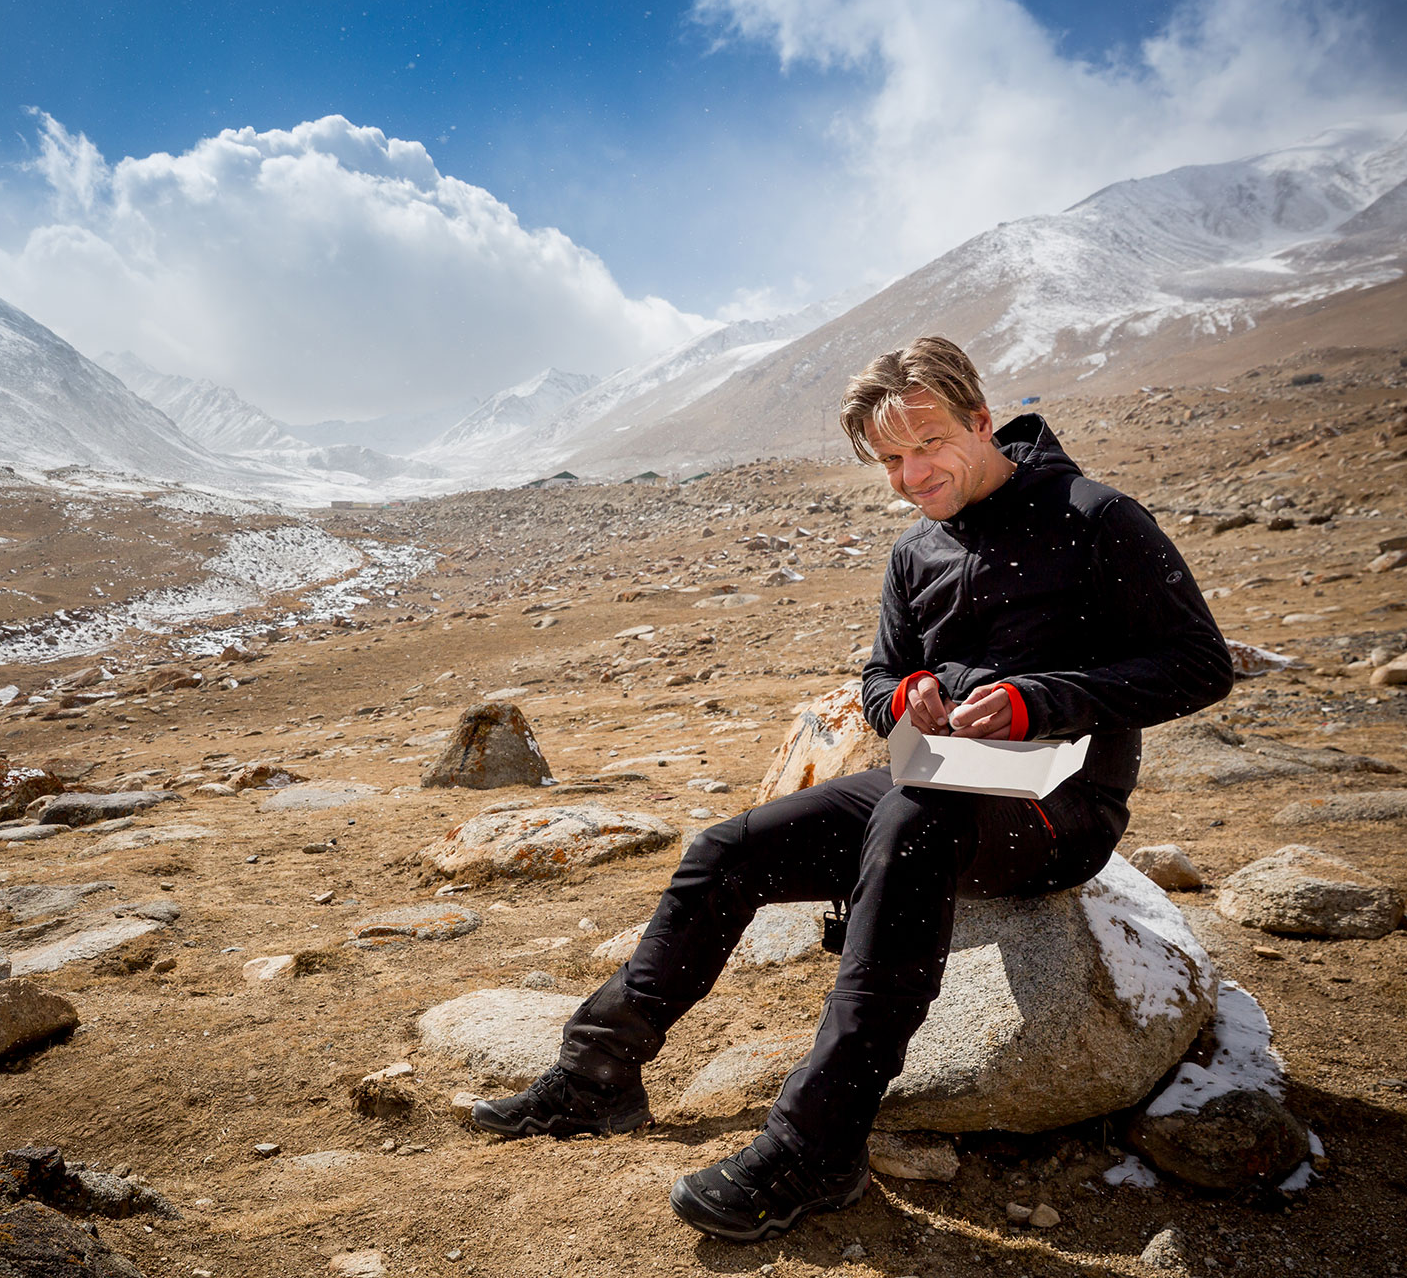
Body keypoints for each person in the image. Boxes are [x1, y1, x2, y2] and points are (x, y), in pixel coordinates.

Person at [470, 335, 1235, 1242]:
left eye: (928, 446)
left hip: (1061, 804)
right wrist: (903, 698)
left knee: (913, 821)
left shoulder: (1094, 517)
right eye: (891, 460)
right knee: (727, 850)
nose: (912, 474)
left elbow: (1199, 665)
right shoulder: (917, 553)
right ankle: (597, 1076)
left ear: (981, 420)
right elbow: (881, 678)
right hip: (941, 778)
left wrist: (1045, 698)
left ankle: (817, 1147)